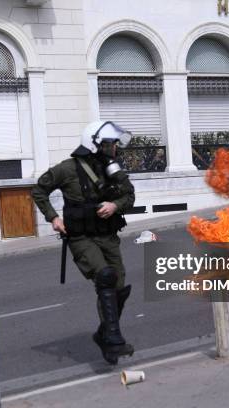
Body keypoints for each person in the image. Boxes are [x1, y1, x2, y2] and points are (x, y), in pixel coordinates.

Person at [31, 121, 136, 364]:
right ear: (95, 144)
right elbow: (38, 190)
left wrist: (114, 205)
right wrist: (54, 218)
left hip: (108, 236)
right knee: (105, 277)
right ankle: (113, 339)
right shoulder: (67, 169)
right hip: (81, 237)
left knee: (119, 287)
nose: (114, 148)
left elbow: (128, 195)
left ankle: (104, 334)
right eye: (110, 144)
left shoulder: (111, 168)